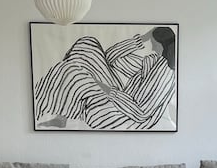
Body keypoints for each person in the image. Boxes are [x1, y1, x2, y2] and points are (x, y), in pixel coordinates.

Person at [34, 27, 176, 130]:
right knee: (87, 44)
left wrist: (106, 89)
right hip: (119, 99)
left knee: (76, 72)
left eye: (154, 44)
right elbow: (109, 57)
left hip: (120, 115)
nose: (152, 48)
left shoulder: (165, 75)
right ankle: (61, 117)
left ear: (162, 46)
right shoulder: (153, 61)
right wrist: (141, 40)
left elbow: (140, 113)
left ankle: (54, 112)